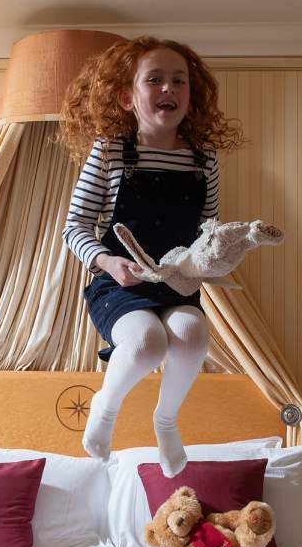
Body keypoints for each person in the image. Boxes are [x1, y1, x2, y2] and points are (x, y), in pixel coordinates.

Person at [60, 36, 243, 477]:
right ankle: (104, 409)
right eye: (154, 79)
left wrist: (217, 253)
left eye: (179, 81)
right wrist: (108, 262)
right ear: (127, 97)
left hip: (176, 282)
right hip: (119, 283)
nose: (168, 88)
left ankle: (165, 420)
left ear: (191, 95)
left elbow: (207, 231)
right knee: (146, 342)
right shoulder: (111, 150)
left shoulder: (203, 160)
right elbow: (74, 226)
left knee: (192, 335)